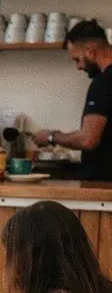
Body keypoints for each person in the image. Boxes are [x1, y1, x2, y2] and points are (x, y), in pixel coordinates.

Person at [34, 19, 112, 180]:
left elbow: (88, 139)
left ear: (90, 51)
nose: (78, 67)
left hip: (103, 187)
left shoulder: (103, 83)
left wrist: (51, 136)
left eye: (77, 59)